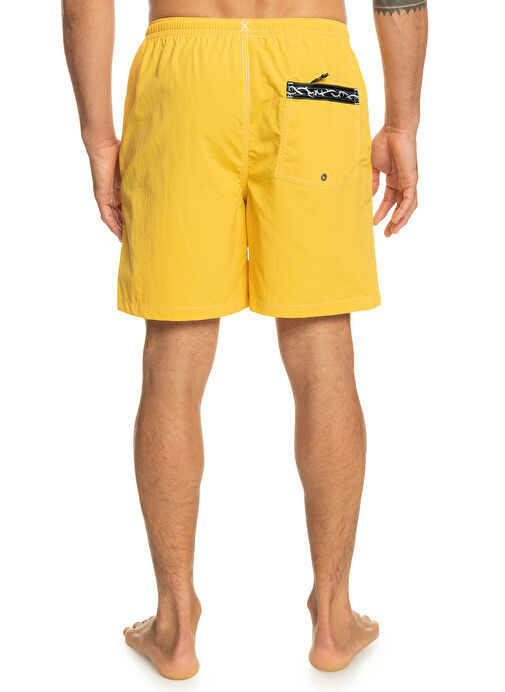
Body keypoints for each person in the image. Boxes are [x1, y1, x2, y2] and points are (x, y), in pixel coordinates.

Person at [63, 0, 428, 680]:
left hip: (184, 71)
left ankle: (174, 627)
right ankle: (333, 620)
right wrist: (403, 121)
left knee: (173, 358)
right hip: (311, 67)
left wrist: (99, 138)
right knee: (324, 352)